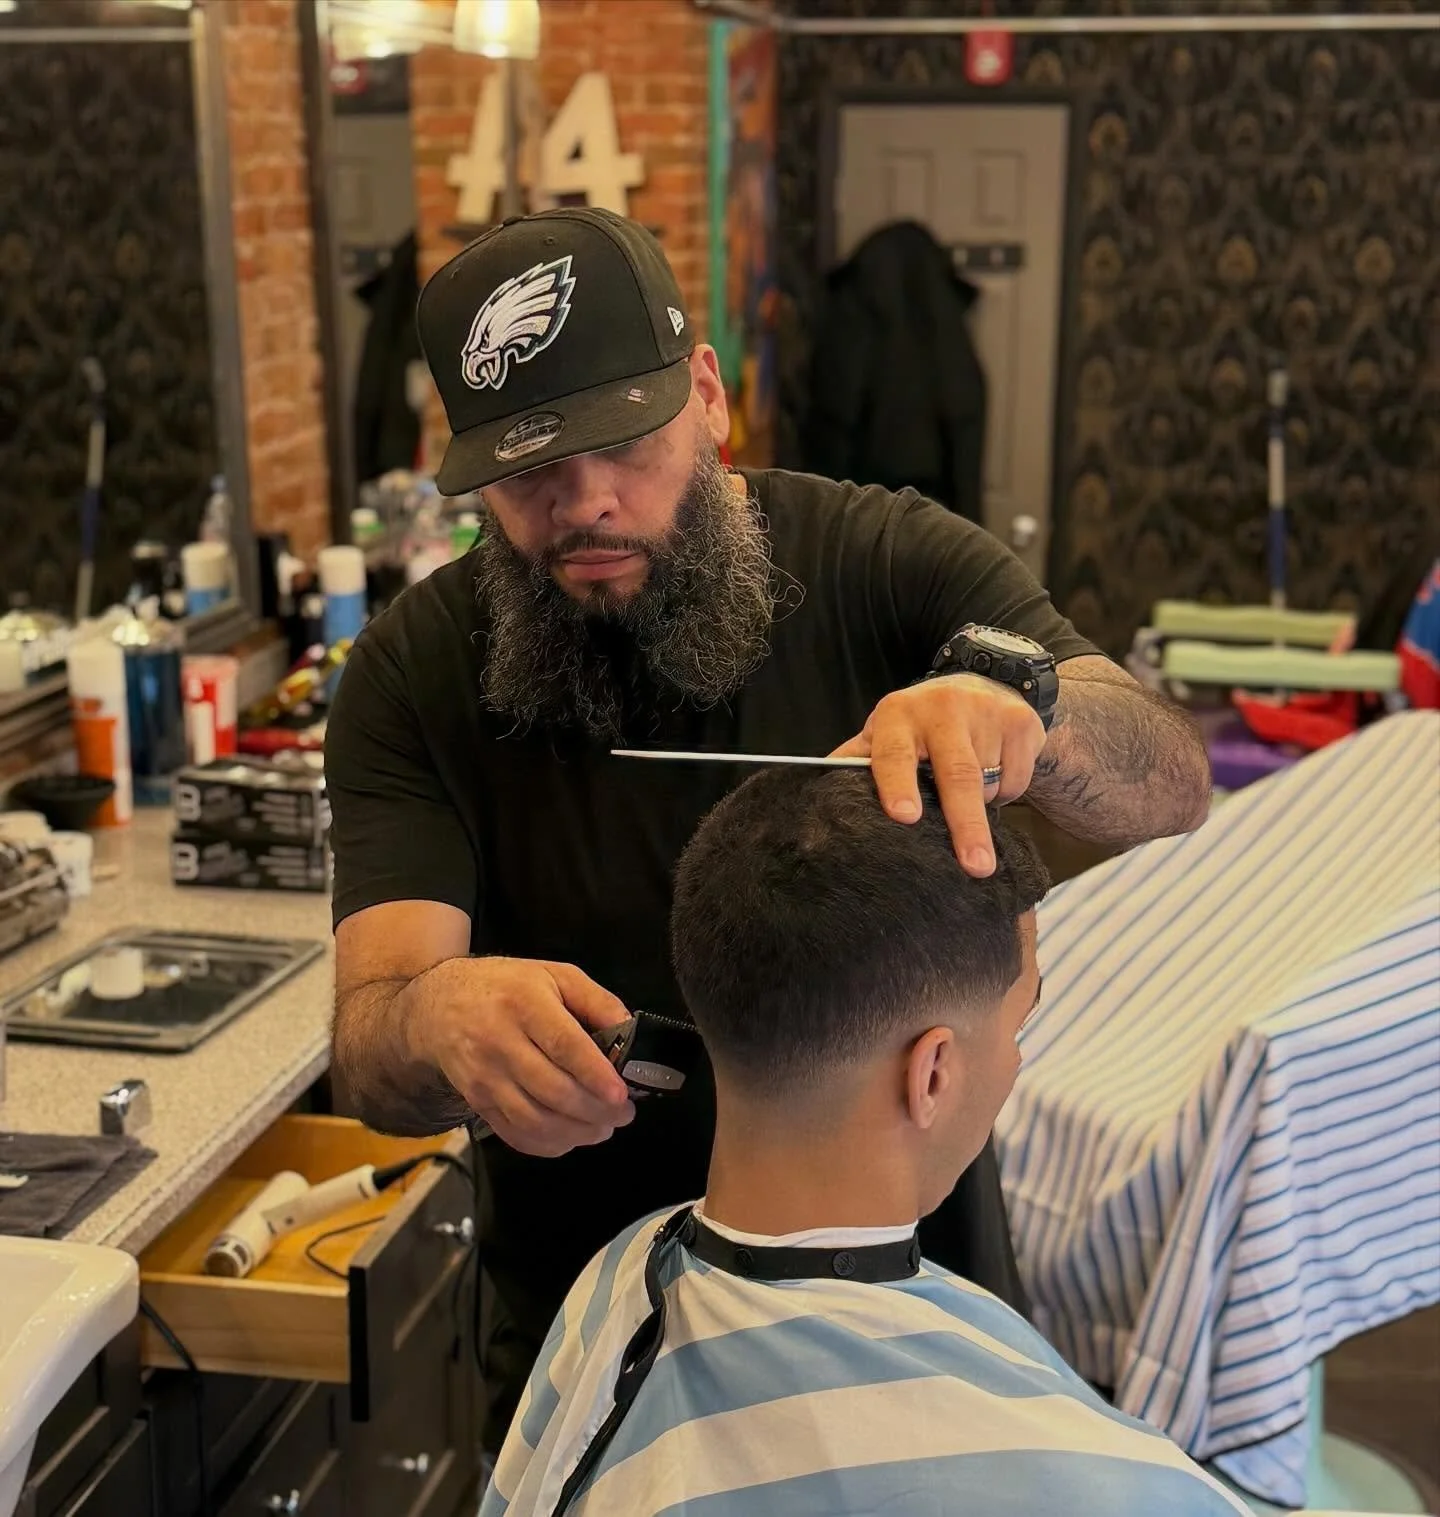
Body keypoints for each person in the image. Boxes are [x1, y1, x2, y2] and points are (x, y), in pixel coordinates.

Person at [323, 206, 1211, 1447]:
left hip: (907, 1304)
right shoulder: (410, 677)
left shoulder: (881, 562)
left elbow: (1172, 777)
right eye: (528, 474)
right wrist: (431, 1015)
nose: (585, 506)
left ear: (706, 395)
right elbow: (370, 1045)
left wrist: (1027, 706)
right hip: (593, 1349)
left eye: (623, 444)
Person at [480, 768, 1248, 1516]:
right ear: (934, 1071)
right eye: (1020, 1021)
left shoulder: (616, 1280)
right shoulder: (1116, 1486)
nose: (1015, 1057)